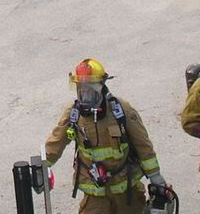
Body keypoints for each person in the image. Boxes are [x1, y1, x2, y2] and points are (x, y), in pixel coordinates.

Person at [46, 58, 169, 213]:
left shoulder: (121, 110)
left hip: (126, 192)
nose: (85, 96)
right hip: (95, 195)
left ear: (100, 88)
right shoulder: (74, 113)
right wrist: (42, 168)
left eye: (89, 91)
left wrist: (156, 178)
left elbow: (143, 145)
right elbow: (55, 142)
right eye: (81, 90)